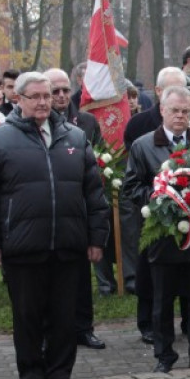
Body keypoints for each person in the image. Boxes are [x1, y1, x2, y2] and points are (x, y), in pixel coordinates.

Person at [0, 71, 109, 379]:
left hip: (69, 244)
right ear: (17, 99)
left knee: (64, 315)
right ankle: (32, 375)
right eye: (37, 96)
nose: (45, 102)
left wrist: (97, 238)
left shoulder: (74, 137)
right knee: (28, 316)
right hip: (23, 246)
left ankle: (60, 373)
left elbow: (93, 194)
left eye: (48, 95)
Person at [123, 85, 190, 373]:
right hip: (163, 236)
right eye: (174, 111)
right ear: (162, 111)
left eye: (185, 112)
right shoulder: (143, 145)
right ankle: (164, 355)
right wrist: (160, 199)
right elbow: (132, 186)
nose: (180, 116)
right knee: (162, 299)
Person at [124, 67, 190, 343]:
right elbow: (134, 173)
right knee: (150, 273)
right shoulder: (139, 125)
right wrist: (156, 196)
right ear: (160, 93)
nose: (179, 101)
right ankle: (149, 323)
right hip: (153, 216)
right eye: (172, 89)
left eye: (184, 89)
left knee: (189, 270)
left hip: (189, 216)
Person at [45, 67, 107, 351]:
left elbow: (101, 159)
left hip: (79, 211)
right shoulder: (38, 122)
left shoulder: (86, 121)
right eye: (54, 91)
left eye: (64, 90)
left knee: (81, 278)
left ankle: (84, 328)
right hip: (47, 211)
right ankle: (51, 332)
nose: (60, 96)